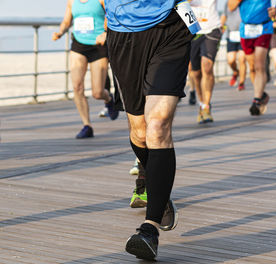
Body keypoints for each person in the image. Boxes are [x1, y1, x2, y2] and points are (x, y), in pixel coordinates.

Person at [105, 0, 198, 260]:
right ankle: (159, 192)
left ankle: (150, 229)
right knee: (140, 132)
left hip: (170, 27)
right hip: (123, 34)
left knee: (158, 125)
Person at [52, 0, 119, 139]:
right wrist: (60, 32)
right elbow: (67, 21)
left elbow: (112, 15)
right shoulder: (72, 1)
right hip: (79, 45)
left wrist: (106, 33)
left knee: (97, 92)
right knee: (77, 86)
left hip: (98, 45)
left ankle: (108, 98)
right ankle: (86, 125)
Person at [228, 0, 273, 116]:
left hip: (264, 27)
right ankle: (261, 94)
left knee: (259, 65)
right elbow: (231, 7)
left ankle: (256, 100)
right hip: (246, 29)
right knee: (252, 67)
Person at [189, 0, 222, 124]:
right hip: (193, 31)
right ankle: (202, 103)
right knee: (196, 73)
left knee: (207, 67)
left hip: (211, 29)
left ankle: (206, 106)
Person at [221, 0, 247, 91]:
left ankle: (241, 83)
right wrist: (221, 25)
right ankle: (236, 72)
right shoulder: (227, 3)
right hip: (231, 34)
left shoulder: (245, 2)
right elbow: (224, 15)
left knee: (242, 59)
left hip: (243, 34)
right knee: (230, 60)